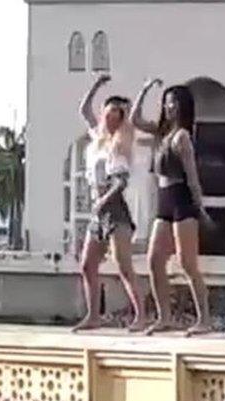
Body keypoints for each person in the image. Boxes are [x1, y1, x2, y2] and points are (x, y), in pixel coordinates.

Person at [129, 78, 211, 336]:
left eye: (173, 103)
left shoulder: (181, 137)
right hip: (164, 200)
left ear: (183, 106)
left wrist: (200, 207)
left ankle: (204, 320)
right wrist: (144, 90)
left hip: (181, 200)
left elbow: (192, 176)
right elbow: (135, 120)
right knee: (154, 261)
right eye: (166, 103)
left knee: (188, 264)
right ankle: (165, 317)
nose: (169, 107)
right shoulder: (162, 133)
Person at [72, 73, 147, 332]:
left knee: (123, 265)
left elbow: (121, 182)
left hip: (114, 209)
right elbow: (84, 109)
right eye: (110, 109)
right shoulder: (97, 140)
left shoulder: (119, 147)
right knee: (87, 264)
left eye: (118, 112)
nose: (112, 114)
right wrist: (97, 85)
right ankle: (93, 315)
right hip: (98, 209)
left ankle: (141, 316)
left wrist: (104, 200)